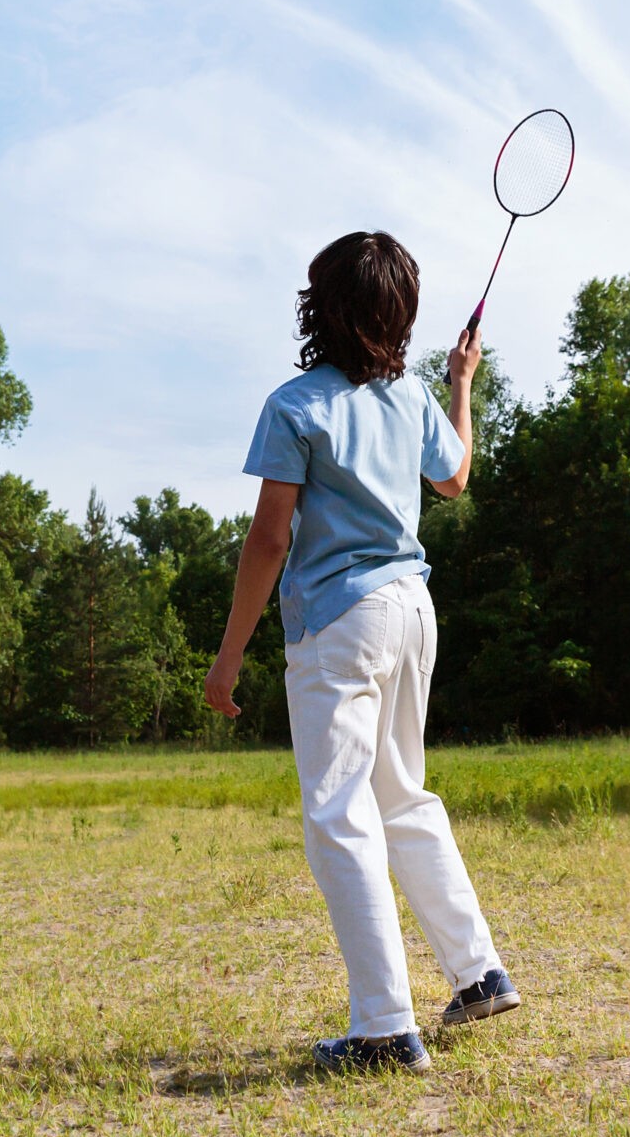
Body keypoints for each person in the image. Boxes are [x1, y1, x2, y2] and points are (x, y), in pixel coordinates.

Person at [204, 230, 521, 1073]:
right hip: (413, 609)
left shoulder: (295, 405)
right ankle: (479, 972)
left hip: (342, 622)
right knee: (402, 796)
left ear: (322, 307)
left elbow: (269, 539)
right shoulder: (411, 396)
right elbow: (455, 478)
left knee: (340, 814)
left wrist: (229, 655)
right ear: (398, 315)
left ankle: (384, 1025)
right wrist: (460, 385)